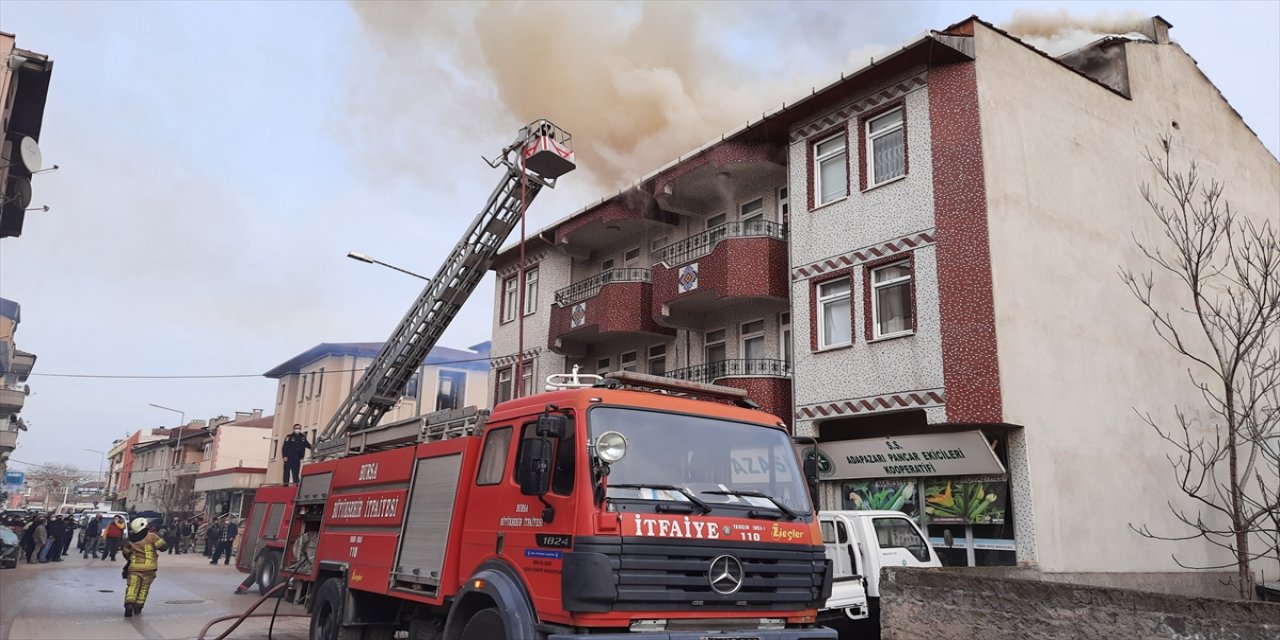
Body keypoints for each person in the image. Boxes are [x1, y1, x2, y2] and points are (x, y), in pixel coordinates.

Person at [121, 518, 168, 617]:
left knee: (132, 586)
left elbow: (125, 553)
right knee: (144, 587)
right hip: (149, 568)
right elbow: (163, 548)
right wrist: (161, 537)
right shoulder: (152, 537)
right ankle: (138, 606)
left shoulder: (129, 540)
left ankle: (129, 604)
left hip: (134, 567)